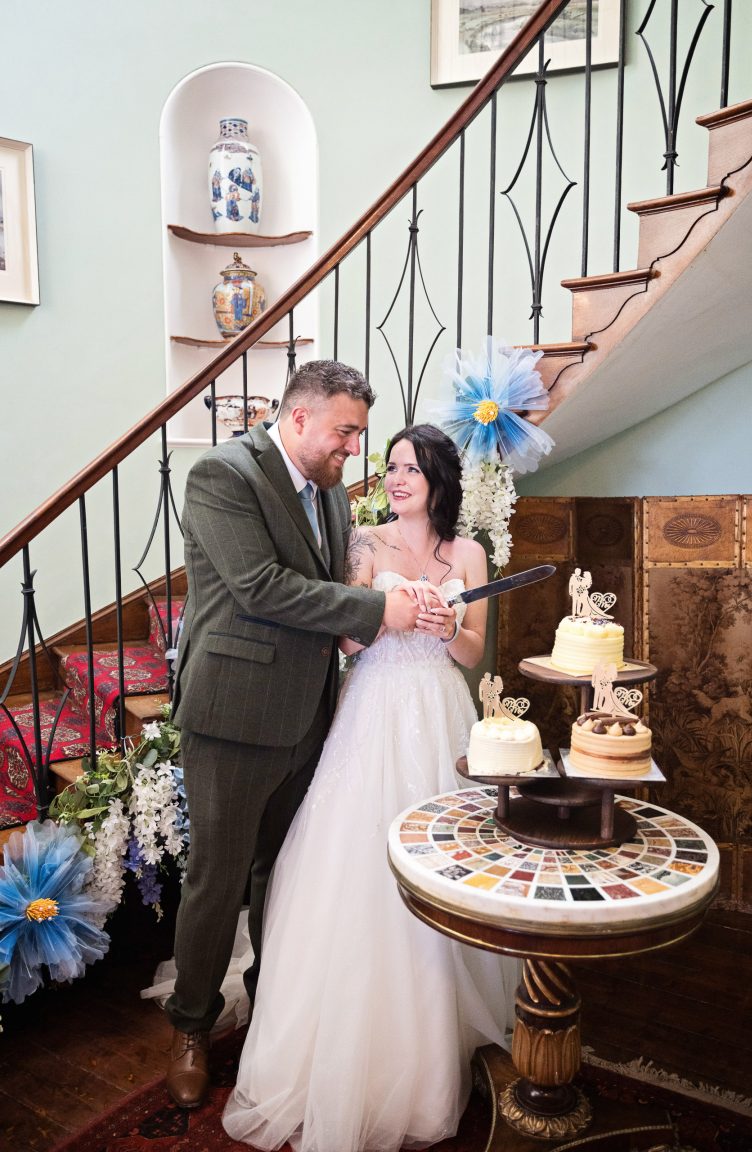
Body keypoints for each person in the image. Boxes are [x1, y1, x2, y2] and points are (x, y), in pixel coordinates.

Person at [222, 424, 517, 1152]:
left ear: (439, 479)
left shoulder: (471, 552)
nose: (395, 478)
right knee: (355, 862)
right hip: (374, 706)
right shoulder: (365, 544)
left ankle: (447, 1027)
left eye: (411, 468)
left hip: (440, 710)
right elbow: (346, 640)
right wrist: (389, 618)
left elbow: (474, 653)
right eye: (389, 467)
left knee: (451, 863)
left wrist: (447, 624)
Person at [164, 361, 438, 1110]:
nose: (354, 447)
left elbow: (328, 590)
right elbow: (259, 588)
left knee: (279, 876)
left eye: (358, 433)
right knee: (218, 881)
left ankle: (269, 1008)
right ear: (298, 419)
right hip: (232, 713)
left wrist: (371, 623)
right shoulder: (222, 475)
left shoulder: (331, 495)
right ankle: (191, 1025)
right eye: (345, 432)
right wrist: (374, 612)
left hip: (311, 711)